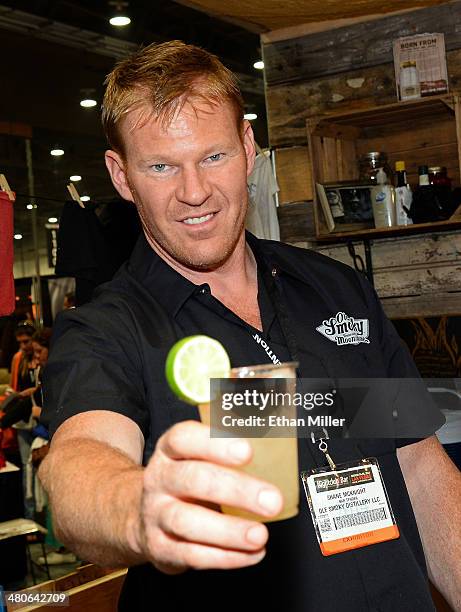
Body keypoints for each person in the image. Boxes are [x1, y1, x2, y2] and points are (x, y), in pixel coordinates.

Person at [39, 41, 461, 611]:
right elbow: (80, 462)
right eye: (161, 166)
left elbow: (418, 463)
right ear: (122, 175)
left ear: (246, 146)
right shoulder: (107, 330)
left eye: (212, 157)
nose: (194, 192)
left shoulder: (335, 289)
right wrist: (141, 508)